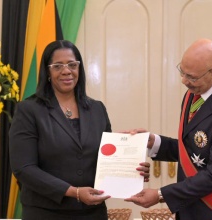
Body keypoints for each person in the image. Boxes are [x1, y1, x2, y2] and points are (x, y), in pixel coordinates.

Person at [9, 40, 150, 220]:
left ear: (79, 69)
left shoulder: (97, 109)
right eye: (58, 66)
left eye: (72, 64)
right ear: (48, 72)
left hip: (92, 213)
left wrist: (132, 168)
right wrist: (73, 192)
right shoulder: (29, 110)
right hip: (46, 213)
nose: (66, 70)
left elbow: (106, 159)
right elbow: (23, 168)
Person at [125, 38, 212, 220]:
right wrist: (154, 142)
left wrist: (161, 194)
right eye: (182, 72)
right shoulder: (194, 94)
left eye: (191, 76)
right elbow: (193, 151)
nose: (184, 81)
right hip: (190, 208)